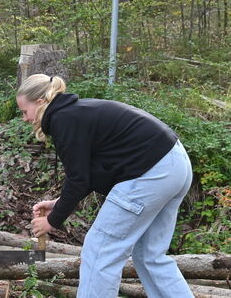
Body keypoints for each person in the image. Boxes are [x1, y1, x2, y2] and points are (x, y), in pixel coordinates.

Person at [17, 74, 193, 298]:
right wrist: (59, 203)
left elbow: (78, 180)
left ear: (40, 102)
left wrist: (51, 221)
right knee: (149, 256)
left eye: (24, 111)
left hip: (150, 172)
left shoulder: (64, 119)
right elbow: (88, 175)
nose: (24, 118)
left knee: (100, 250)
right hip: (175, 164)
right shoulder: (76, 113)